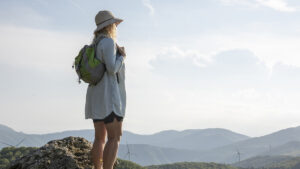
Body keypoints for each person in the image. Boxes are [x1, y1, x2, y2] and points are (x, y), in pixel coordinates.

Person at [85, 10, 126, 169]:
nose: (116, 27)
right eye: (114, 24)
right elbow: (111, 69)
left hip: (96, 95)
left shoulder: (94, 44)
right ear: (110, 26)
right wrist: (121, 57)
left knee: (99, 138)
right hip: (108, 96)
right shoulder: (108, 42)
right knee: (115, 137)